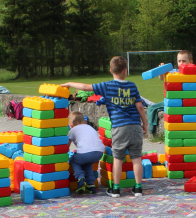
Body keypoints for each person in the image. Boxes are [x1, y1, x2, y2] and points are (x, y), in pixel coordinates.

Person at [62, 56, 148, 198]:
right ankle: (138, 188)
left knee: (118, 159)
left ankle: (116, 189)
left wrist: (69, 83)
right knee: (136, 158)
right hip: (135, 126)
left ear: (110, 70)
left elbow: (85, 87)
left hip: (119, 127)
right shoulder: (132, 86)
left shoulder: (107, 86)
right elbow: (139, 106)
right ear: (125, 70)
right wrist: (145, 124)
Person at [67, 112, 103, 194]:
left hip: (85, 153)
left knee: (74, 160)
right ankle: (91, 184)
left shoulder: (72, 130)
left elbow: (67, 146)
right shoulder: (90, 127)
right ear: (84, 122)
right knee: (87, 163)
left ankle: (80, 177)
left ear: (71, 125)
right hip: (99, 152)